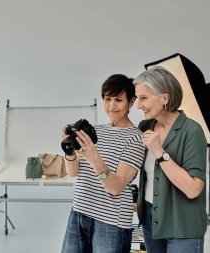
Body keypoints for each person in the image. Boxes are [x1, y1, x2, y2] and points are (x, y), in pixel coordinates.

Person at [61, 74, 146, 253]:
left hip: (110, 222)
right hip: (79, 211)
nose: (111, 106)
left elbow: (116, 187)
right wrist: (69, 151)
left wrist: (94, 158)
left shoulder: (135, 138)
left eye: (118, 100)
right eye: (107, 99)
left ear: (131, 102)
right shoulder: (95, 131)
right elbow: (73, 172)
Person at [133, 66, 207, 253]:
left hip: (183, 226)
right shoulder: (145, 126)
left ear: (164, 98)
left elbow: (193, 189)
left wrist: (161, 153)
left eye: (144, 98)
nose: (139, 105)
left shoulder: (192, 131)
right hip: (151, 221)